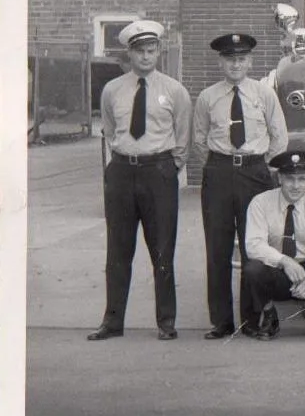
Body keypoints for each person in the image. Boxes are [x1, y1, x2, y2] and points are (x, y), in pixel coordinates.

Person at [89, 19, 192, 341]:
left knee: (162, 249)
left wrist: (166, 169)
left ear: (159, 51)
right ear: (129, 54)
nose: (146, 57)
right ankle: (112, 321)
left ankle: (166, 322)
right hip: (121, 171)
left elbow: (183, 138)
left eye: (152, 50)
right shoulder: (112, 90)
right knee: (117, 250)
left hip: (158, 171)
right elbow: (109, 129)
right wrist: (119, 164)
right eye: (140, 52)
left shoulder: (174, 91)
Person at [192, 32, 288, 339]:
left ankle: (252, 319)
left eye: (242, 59)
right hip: (219, 172)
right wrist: (222, 163)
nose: (236, 65)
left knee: (254, 246)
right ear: (221, 62)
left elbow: (279, 136)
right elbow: (200, 139)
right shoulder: (208, 97)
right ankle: (221, 321)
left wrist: (261, 166)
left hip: (254, 172)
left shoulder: (264, 94)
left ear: (250, 61)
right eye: (230, 59)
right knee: (217, 248)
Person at [242, 150, 305, 338]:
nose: (296, 186)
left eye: (301, 179)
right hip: (277, 267)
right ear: (279, 178)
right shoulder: (260, 203)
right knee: (253, 269)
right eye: (290, 179)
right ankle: (269, 314)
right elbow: (254, 245)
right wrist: (285, 261)